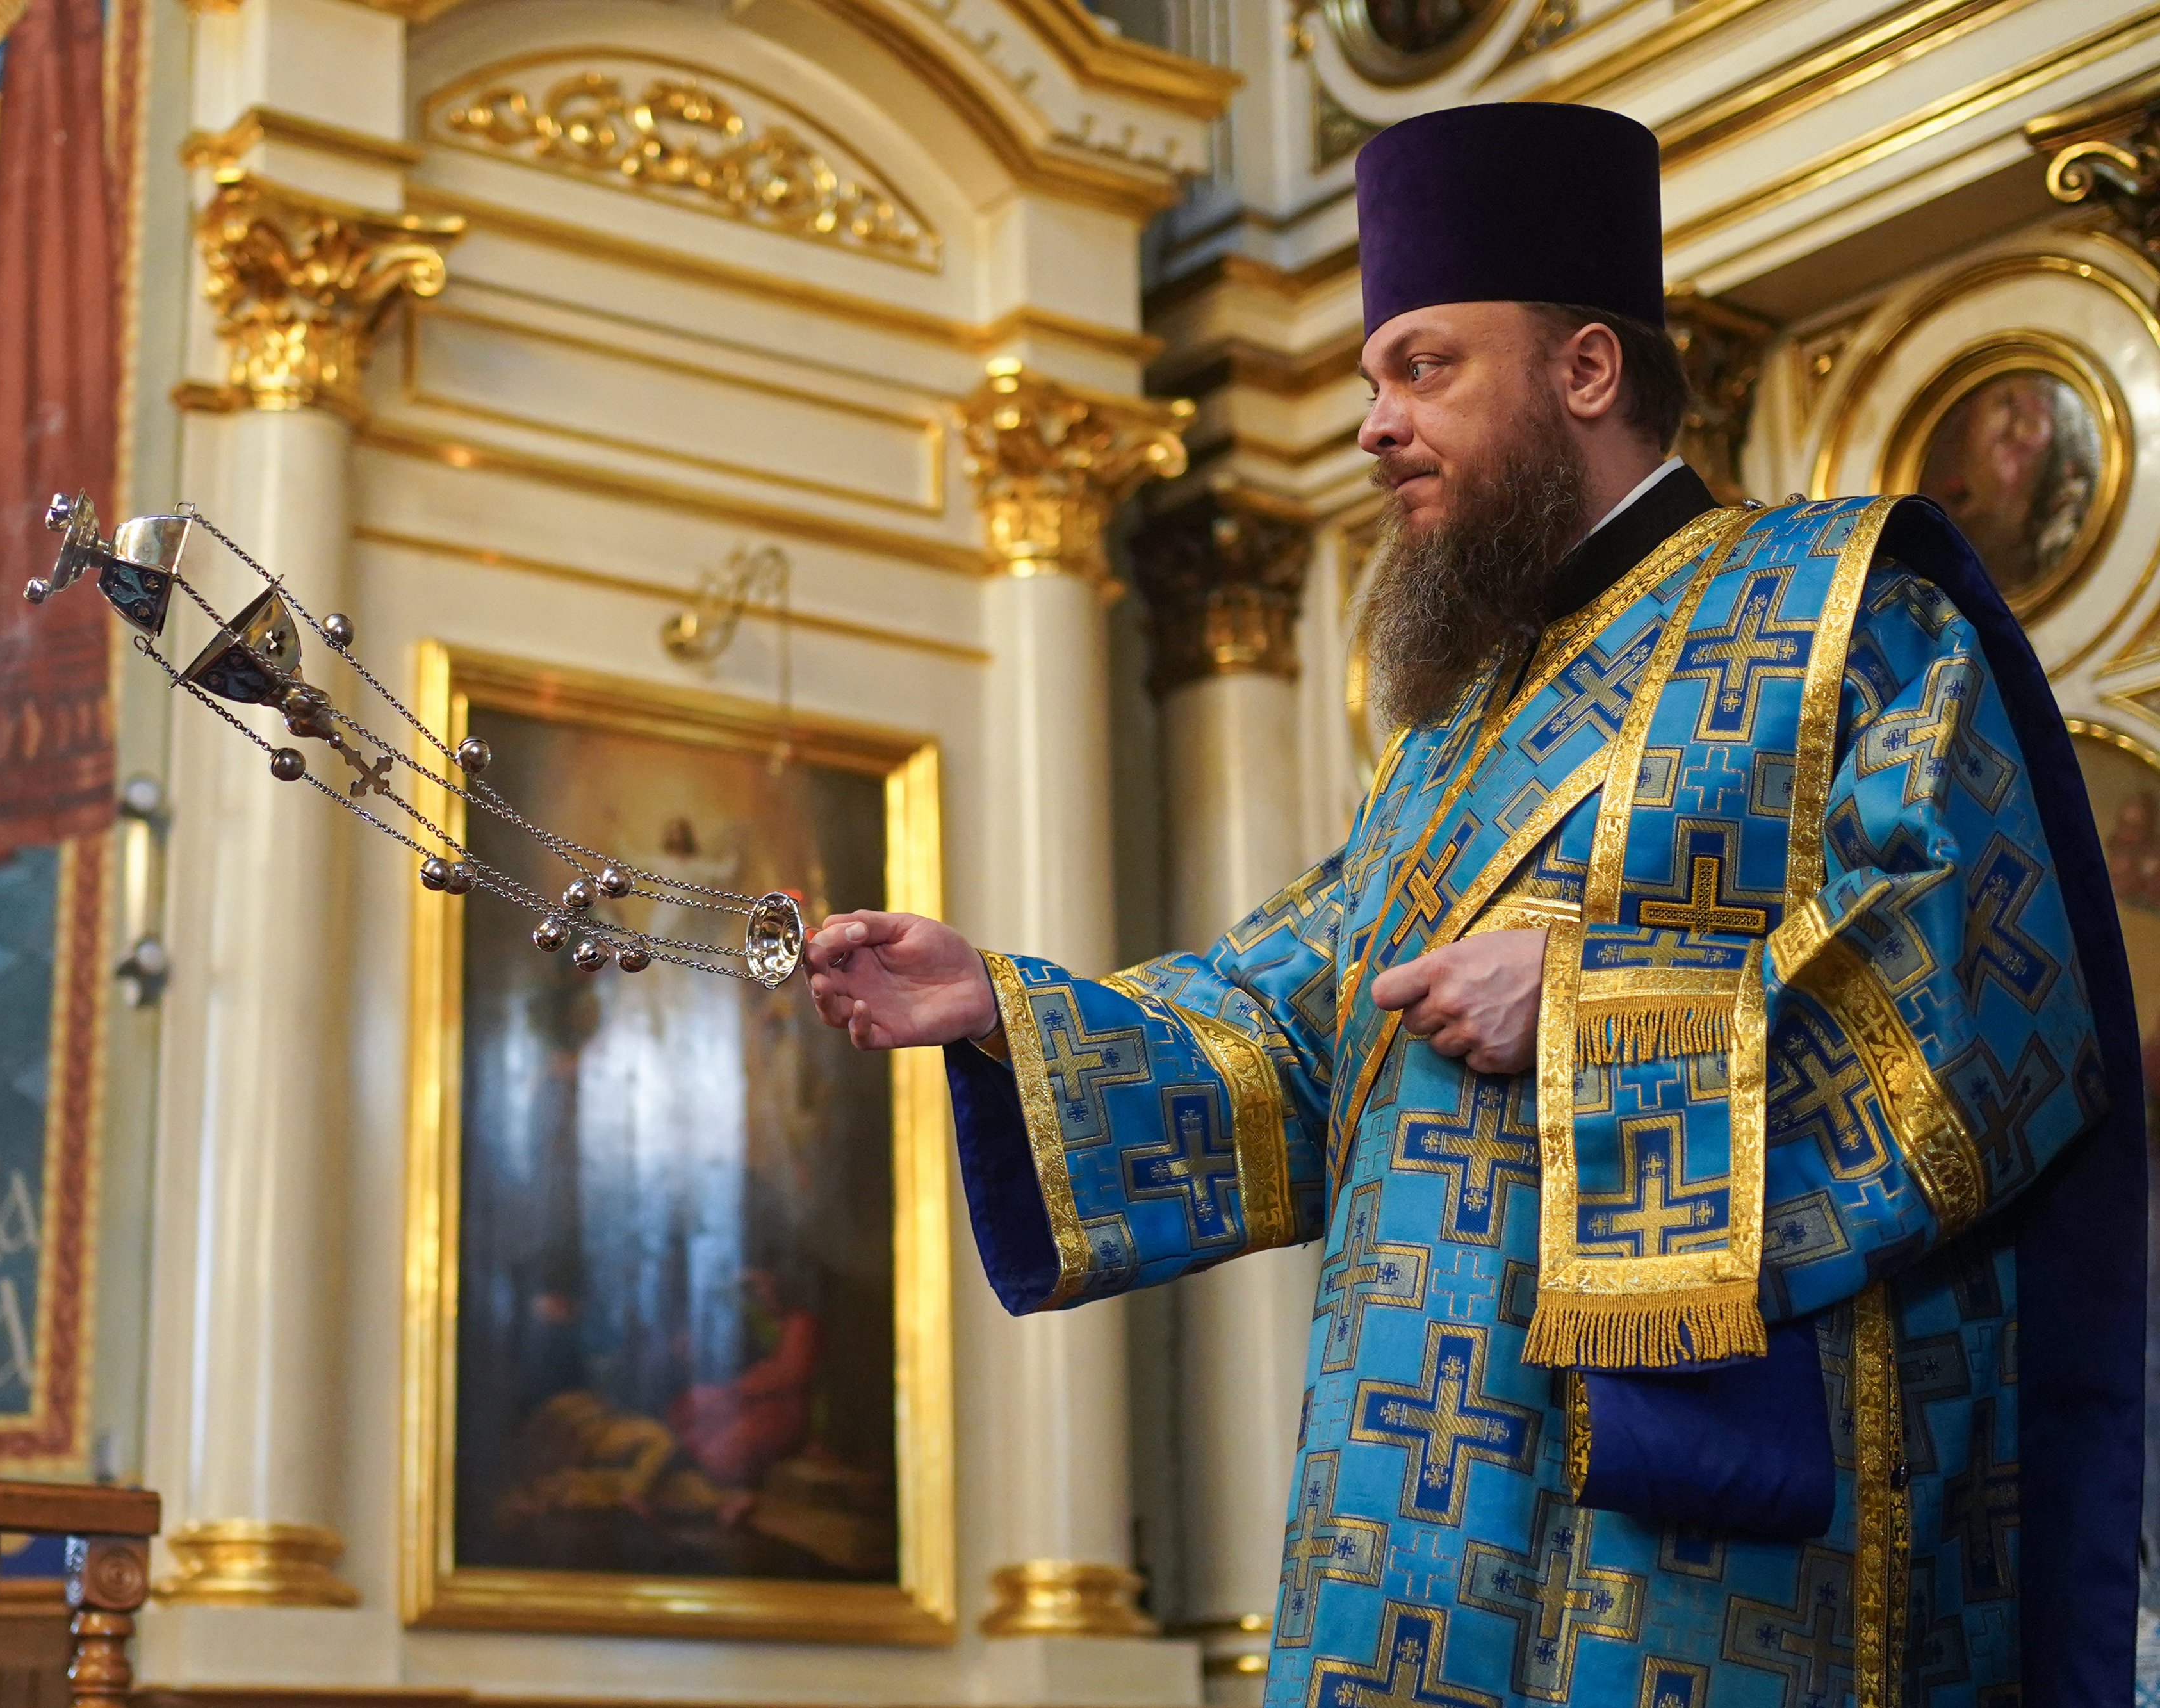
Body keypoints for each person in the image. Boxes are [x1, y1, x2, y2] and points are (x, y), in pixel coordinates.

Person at [805, 102, 2141, 1708]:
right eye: (1372, 376)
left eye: (1420, 365)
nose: (1371, 422)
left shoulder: (1845, 605)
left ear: (1583, 370)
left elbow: (1984, 1011)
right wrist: (1000, 1005)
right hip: (1410, 1506)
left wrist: (1581, 1002)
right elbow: (1291, 1020)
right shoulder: (1446, 740)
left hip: (1702, 1509)